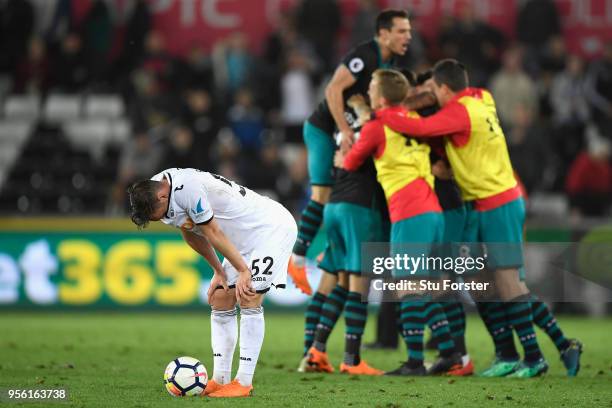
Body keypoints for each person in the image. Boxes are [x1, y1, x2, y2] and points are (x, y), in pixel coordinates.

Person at [378, 59, 582, 377]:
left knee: (503, 282)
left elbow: (419, 128)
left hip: (485, 204)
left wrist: (386, 110)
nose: (428, 93)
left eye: (432, 88)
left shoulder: (453, 113)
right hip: (480, 204)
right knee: (481, 283)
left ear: (443, 89)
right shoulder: (481, 96)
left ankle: (536, 353)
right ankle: (511, 353)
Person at [127, 168, 297, 397]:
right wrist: (218, 270)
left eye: (152, 214)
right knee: (220, 296)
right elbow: (191, 231)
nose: (154, 218)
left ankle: (244, 382)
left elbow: (212, 231)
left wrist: (242, 270)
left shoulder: (187, 188)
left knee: (248, 295)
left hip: (269, 229)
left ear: (161, 197)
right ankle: (220, 379)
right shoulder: (158, 190)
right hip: (241, 241)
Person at [338, 69, 461, 376]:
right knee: (421, 287)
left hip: (409, 211)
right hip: (432, 210)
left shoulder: (377, 128)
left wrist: (343, 156)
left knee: (407, 287)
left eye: (371, 86)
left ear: (379, 96)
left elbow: (352, 161)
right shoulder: (414, 120)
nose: (367, 91)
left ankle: (416, 362)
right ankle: (449, 352)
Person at [289, 9, 412, 295]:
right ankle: (296, 259)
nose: (408, 36)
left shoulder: (390, 62)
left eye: (409, 31)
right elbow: (333, 90)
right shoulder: (365, 56)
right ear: (383, 34)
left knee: (337, 196)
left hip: (341, 130)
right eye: (402, 31)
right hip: (323, 129)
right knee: (322, 194)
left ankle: (328, 254)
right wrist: (344, 130)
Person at [298, 95, 386, 376]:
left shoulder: (343, 130)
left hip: (334, 206)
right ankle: (352, 359)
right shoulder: (377, 125)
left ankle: (315, 351)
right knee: (359, 285)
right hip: (359, 208)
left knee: (341, 283)